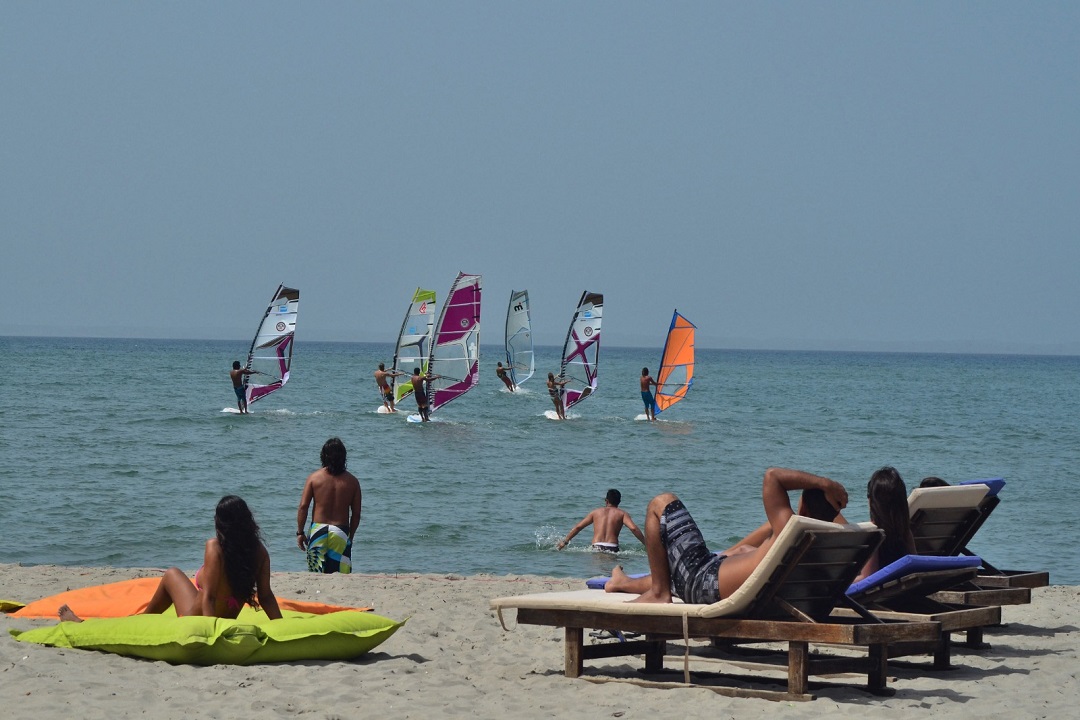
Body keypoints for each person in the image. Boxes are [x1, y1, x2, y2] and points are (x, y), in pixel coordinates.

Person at [606, 468, 848, 603]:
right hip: (726, 583)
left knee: (661, 502)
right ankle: (621, 582)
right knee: (741, 551)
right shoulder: (826, 543)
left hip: (705, 583)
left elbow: (772, 477)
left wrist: (825, 484)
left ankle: (658, 593)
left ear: (802, 506)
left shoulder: (790, 530)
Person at [59, 496, 281, 622]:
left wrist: (211, 634)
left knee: (172, 573)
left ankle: (136, 622)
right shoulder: (259, 552)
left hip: (195, 620)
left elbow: (210, 597)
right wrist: (280, 627)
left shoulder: (215, 547)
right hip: (222, 620)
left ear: (221, 523)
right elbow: (267, 597)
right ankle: (141, 620)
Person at [296, 437, 363, 573]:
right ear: (343, 457)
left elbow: (303, 507)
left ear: (323, 456)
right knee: (341, 575)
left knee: (316, 574)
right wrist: (350, 537)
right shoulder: (352, 481)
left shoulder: (314, 478)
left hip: (318, 530)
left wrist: (300, 532)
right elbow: (356, 514)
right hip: (340, 531)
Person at [857, 466, 916, 581]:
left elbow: (868, 577)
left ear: (871, 501)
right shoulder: (905, 532)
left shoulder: (873, 534)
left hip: (881, 591)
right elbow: (914, 564)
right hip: (903, 587)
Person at [556, 489, 646, 553]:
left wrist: (565, 541)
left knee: (597, 568)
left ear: (606, 501)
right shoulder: (622, 514)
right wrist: (646, 544)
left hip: (596, 547)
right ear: (619, 501)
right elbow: (634, 528)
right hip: (612, 548)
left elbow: (578, 527)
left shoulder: (595, 512)